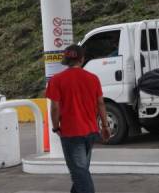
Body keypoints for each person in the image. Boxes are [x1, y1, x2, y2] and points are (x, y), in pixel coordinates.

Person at [46, 45, 111, 193]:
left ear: (66, 60)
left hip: (71, 133)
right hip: (91, 132)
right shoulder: (93, 79)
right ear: (82, 59)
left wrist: (56, 127)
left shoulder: (56, 80)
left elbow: (55, 107)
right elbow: (100, 103)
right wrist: (105, 126)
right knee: (81, 170)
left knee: (79, 173)